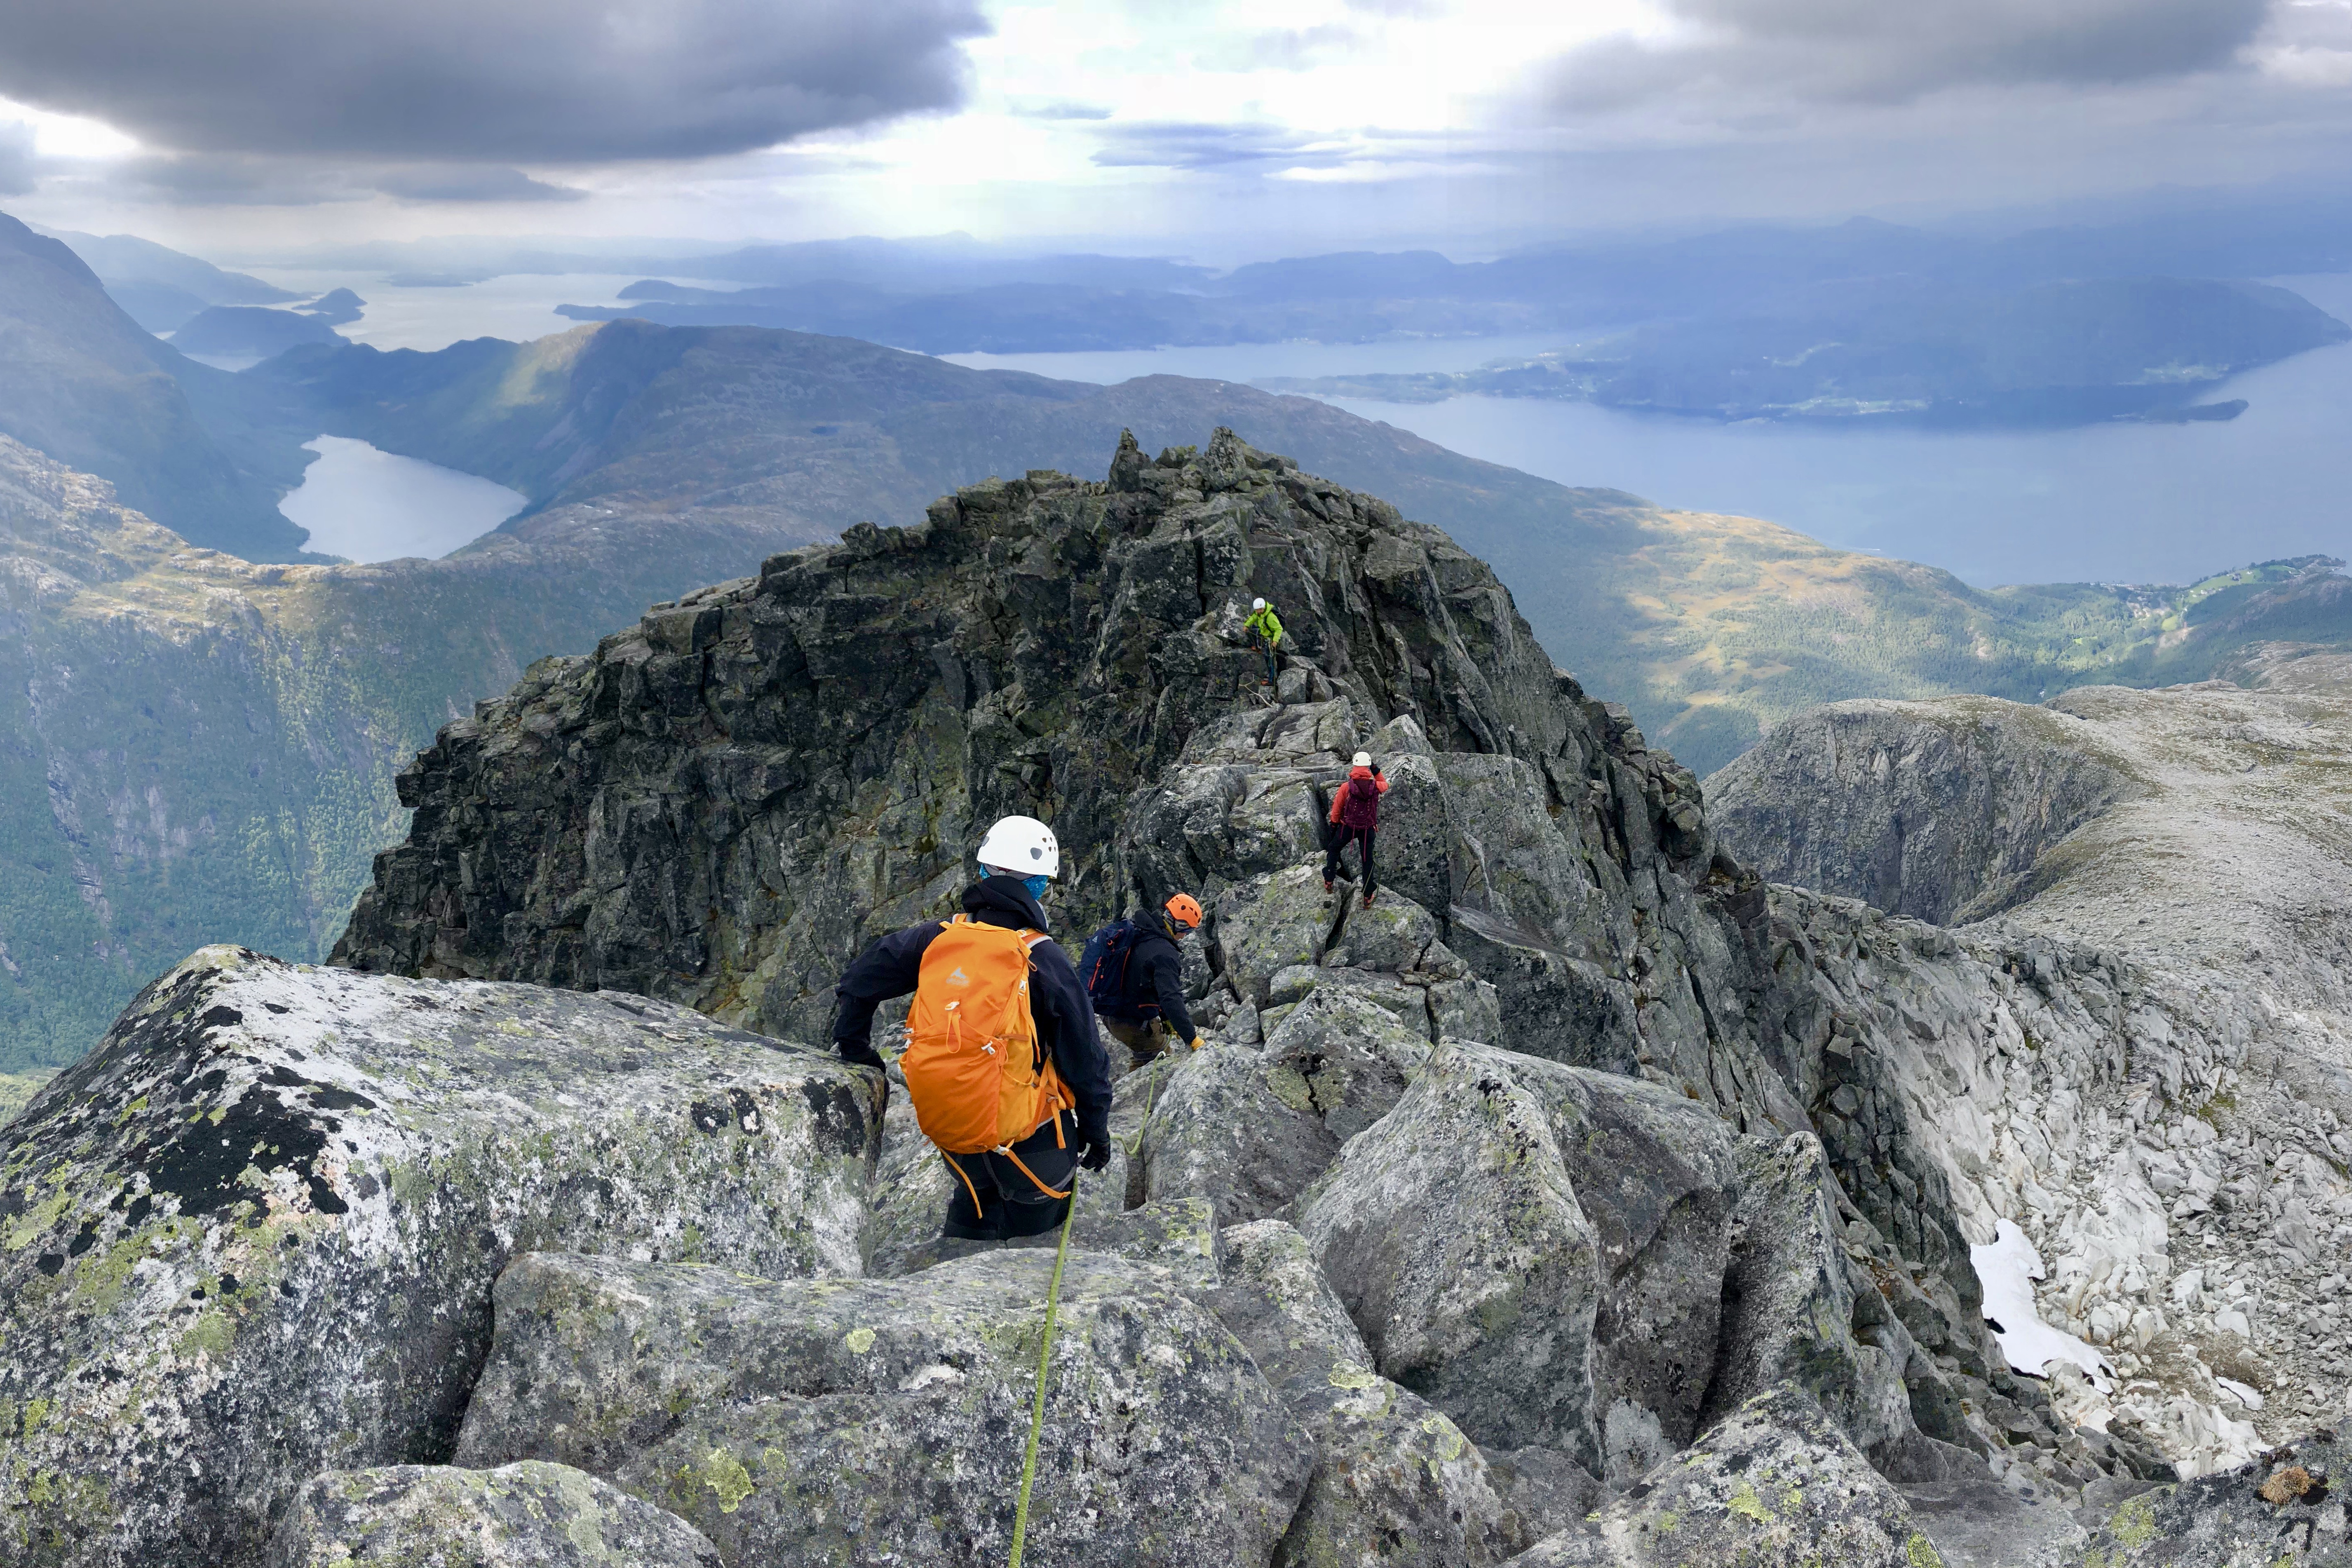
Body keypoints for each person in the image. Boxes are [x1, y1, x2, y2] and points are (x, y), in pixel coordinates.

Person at [832, 815, 1113, 1242]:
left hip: (955, 1132)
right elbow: (1086, 1060)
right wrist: (1096, 1130)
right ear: (1039, 885)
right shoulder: (1044, 958)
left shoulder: (937, 938)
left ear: (983, 872)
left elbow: (858, 982)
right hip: (1032, 1140)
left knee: (976, 1203)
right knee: (1034, 1243)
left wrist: (856, 1047)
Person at [1087, 894, 1209, 1068]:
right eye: (1187, 930)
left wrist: (1167, 1020)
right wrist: (1192, 1038)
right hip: (1130, 1021)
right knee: (1161, 1057)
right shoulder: (1165, 954)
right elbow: (1170, 998)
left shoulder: (1141, 930)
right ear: (1179, 925)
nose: (1186, 935)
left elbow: (1150, 984)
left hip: (1110, 1011)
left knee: (1145, 1055)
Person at [1325, 750, 1388, 908]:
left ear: (1354, 766)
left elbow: (1337, 809)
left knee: (1333, 848)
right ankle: (1368, 896)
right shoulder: (1376, 786)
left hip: (1348, 827)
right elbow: (1386, 784)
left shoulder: (1347, 787)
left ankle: (1329, 880)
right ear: (1368, 767)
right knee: (1368, 860)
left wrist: (1334, 825)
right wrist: (1377, 771)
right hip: (1368, 829)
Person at [1244, 596, 1284, 687]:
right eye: (1257, 610)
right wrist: (1247, 625)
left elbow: (1279, 629)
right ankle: (1258, 647)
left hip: (1269, 639)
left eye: (1259, 610)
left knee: (1269, 660)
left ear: (1263, 608)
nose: (1258, 612)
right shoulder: (1259, 614)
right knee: (1254, 631)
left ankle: (1272, 680)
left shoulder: (1270, 617)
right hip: (1264, 635)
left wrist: (1275, 641)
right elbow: (1253, 618)